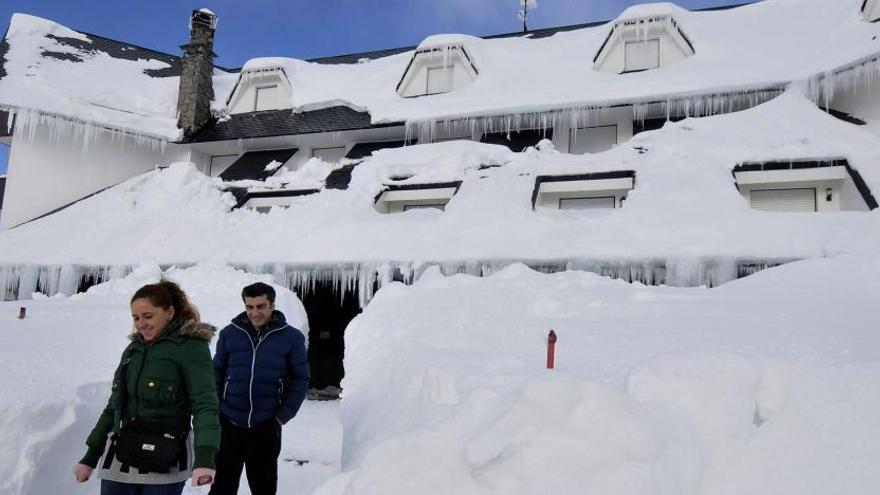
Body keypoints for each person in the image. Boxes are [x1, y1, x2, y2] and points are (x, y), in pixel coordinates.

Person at [73, 279, 220, 495]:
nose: (141, 324)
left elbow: (205, 404)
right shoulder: (133, 350)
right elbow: (115, 405)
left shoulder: (190, 348)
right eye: (136, 317)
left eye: (148, 316)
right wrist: (90, 456)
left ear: (169, 312)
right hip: (121, 457)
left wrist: (205, 457)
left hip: (166, 457)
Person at [210, 282, 309, 495]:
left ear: (272, 305)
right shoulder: (230, 334)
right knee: (222, 487)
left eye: (261, 306)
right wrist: (218, 409)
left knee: (263, 489)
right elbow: (216, 373)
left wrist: (279, 418)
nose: (255, 313)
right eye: (250, 307)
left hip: (266, 426)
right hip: (229, 424)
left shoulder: (291, 338)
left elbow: (301, 380)